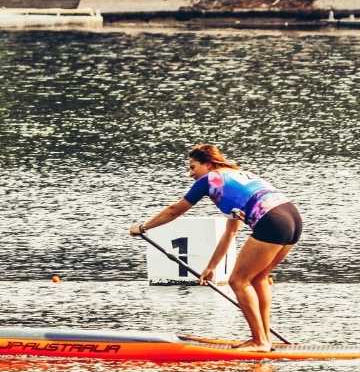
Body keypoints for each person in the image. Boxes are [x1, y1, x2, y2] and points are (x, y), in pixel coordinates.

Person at [129, 144, 302, 350]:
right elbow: (231, 232)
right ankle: (264, 338)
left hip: (272, 220)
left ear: (208, 164)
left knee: (238, 281)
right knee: (258, 278)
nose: (190, 174)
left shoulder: (209, 180)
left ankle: (259, 341)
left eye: (193, 167)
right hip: (292, 217)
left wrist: (143, 227)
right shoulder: (238, 176)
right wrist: (211, 267)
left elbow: (176, 210)